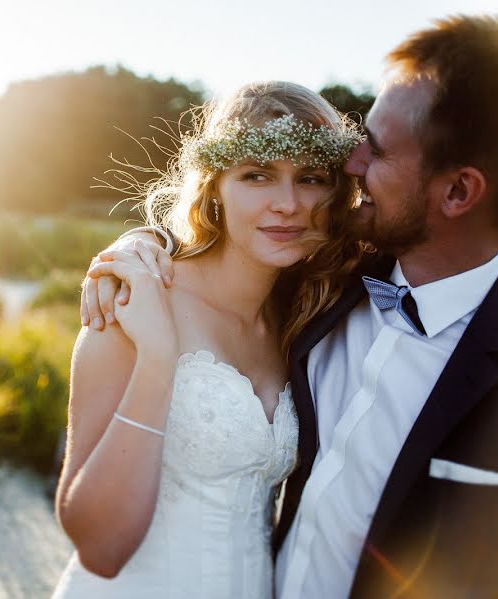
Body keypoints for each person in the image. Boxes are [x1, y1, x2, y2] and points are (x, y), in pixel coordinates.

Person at [81, 15, 498, 598]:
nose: (351, 167)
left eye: (374, 153)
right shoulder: (320, 285)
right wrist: (139, 250)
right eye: (258, 174)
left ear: (459, 192)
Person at [51, 81, 364, 598]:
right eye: (256, 175)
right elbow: (100, 549)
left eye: (310, 178)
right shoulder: (133, 300)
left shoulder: (307, 317)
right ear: (215, 187)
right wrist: (158, 357)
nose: (287, 204)